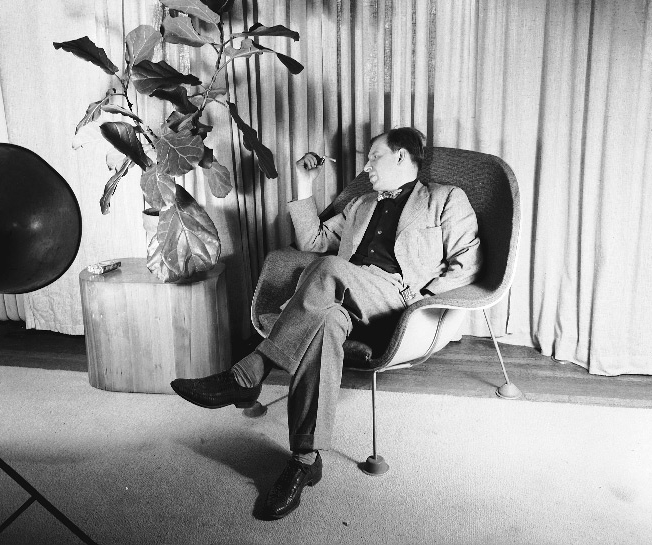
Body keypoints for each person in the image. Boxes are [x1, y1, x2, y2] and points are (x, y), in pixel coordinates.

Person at [171, 127, 482, 519]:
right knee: (327, 321)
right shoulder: (361, 204)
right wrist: (305, 184)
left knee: (329, 268)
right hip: (341, 300)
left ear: (402, 156)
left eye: (374, 156)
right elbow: (313, 243)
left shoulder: (445, 198)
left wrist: (420, 301)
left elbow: (467, 263)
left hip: (398, 301)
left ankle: (250, 371)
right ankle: (305, 459)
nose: (366, 167)